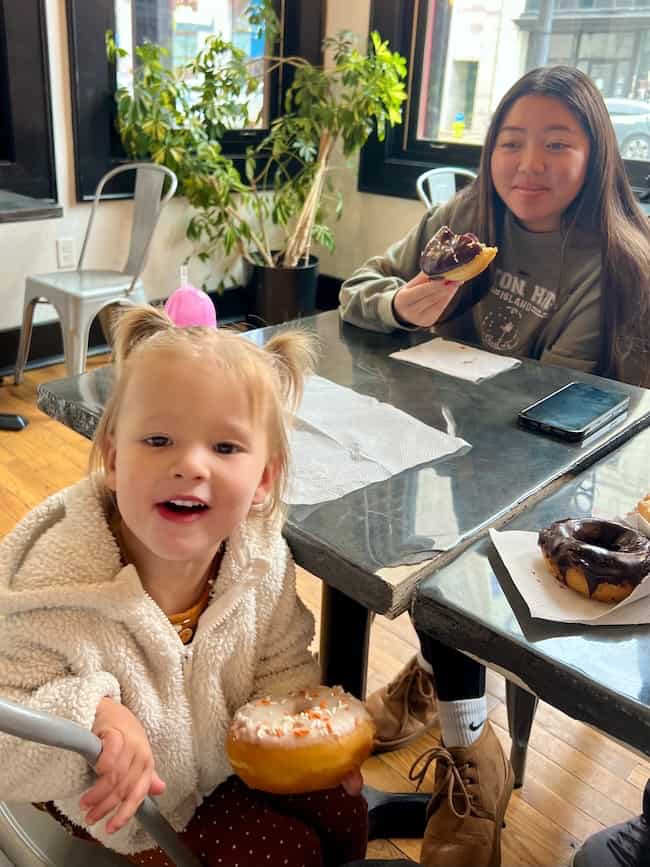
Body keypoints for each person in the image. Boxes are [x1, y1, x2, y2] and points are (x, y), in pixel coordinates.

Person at [340, 64, 650, 867]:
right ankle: (439, 679)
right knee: (376, 524)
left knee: (441, 557)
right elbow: (358, 288)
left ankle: (471, 752)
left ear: (597, 154)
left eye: (558, 143)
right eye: (511, 142)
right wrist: (399, 304)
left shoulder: (613, 260)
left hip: (564, 488)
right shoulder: (465, 218)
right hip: (440, 446)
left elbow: (561, 410)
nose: (529, 164)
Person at [0, 305, 367, 867]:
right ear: (115, 461)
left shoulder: (259, 554)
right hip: (129, 807)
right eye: (159, 439)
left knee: (343, 812)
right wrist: (90, 717)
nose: (191, 465)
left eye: (225, 448)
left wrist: (304, 735)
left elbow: (280, 664)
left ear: (263, 479)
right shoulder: (53, 579)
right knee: (282, 853)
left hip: (222, 759)